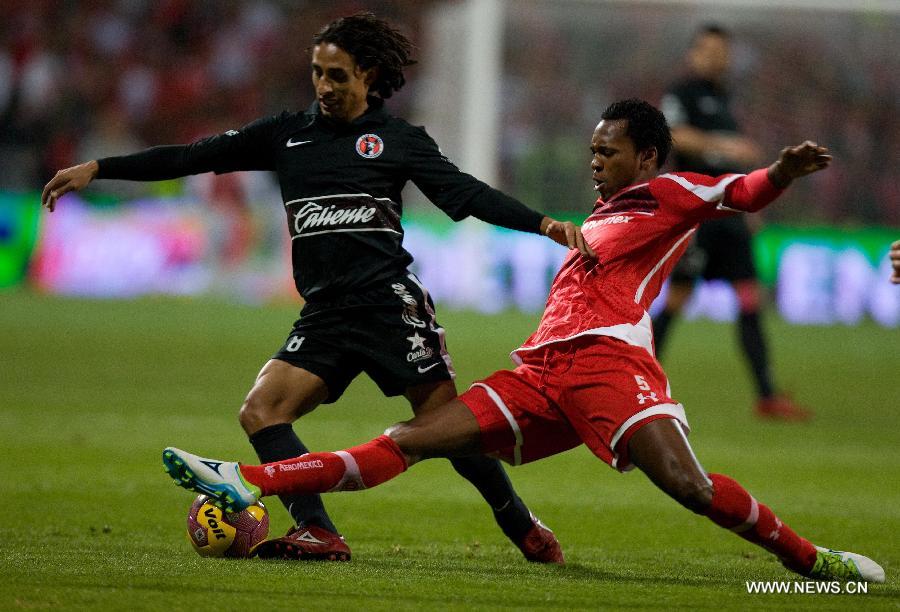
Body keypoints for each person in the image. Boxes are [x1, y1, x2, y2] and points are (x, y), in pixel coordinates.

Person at [161, 99, 884, 583]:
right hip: (540, 373)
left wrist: (782, 172)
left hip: (611, 366)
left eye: (609, 152)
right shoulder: (599, 213)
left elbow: (742, 190)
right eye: (592, 150)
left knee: (690, 489)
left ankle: (813, 562)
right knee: (408, 437)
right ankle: (243, 480)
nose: (595, 161)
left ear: (648, 157)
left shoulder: (668, 197)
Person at [42, 13, 595, 564]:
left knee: (444, 430)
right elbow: (194, 156)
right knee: (260, 412)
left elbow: (467, 193)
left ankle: (520, 525)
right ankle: (317, 531)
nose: (325, 87)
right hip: (325, 313)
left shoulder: (397, 140)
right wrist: (99, 166)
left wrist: (544, 224)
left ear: (368, 75)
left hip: (388, 305)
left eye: (338, 76)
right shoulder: (288, 135)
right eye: (317, 73)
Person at [655, 24, 810, 421]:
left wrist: (751, 208)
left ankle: (767, 394)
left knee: (749, 296)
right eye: (707, 50)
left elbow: (736, 162)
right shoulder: (682, 93)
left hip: (731, 213)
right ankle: (633, 382)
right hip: (697, 212)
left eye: (721, 50)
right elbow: (673, 136)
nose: (715, 57)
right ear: (693, 54)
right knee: (677, 299)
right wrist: (725, 145)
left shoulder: (724, 98)